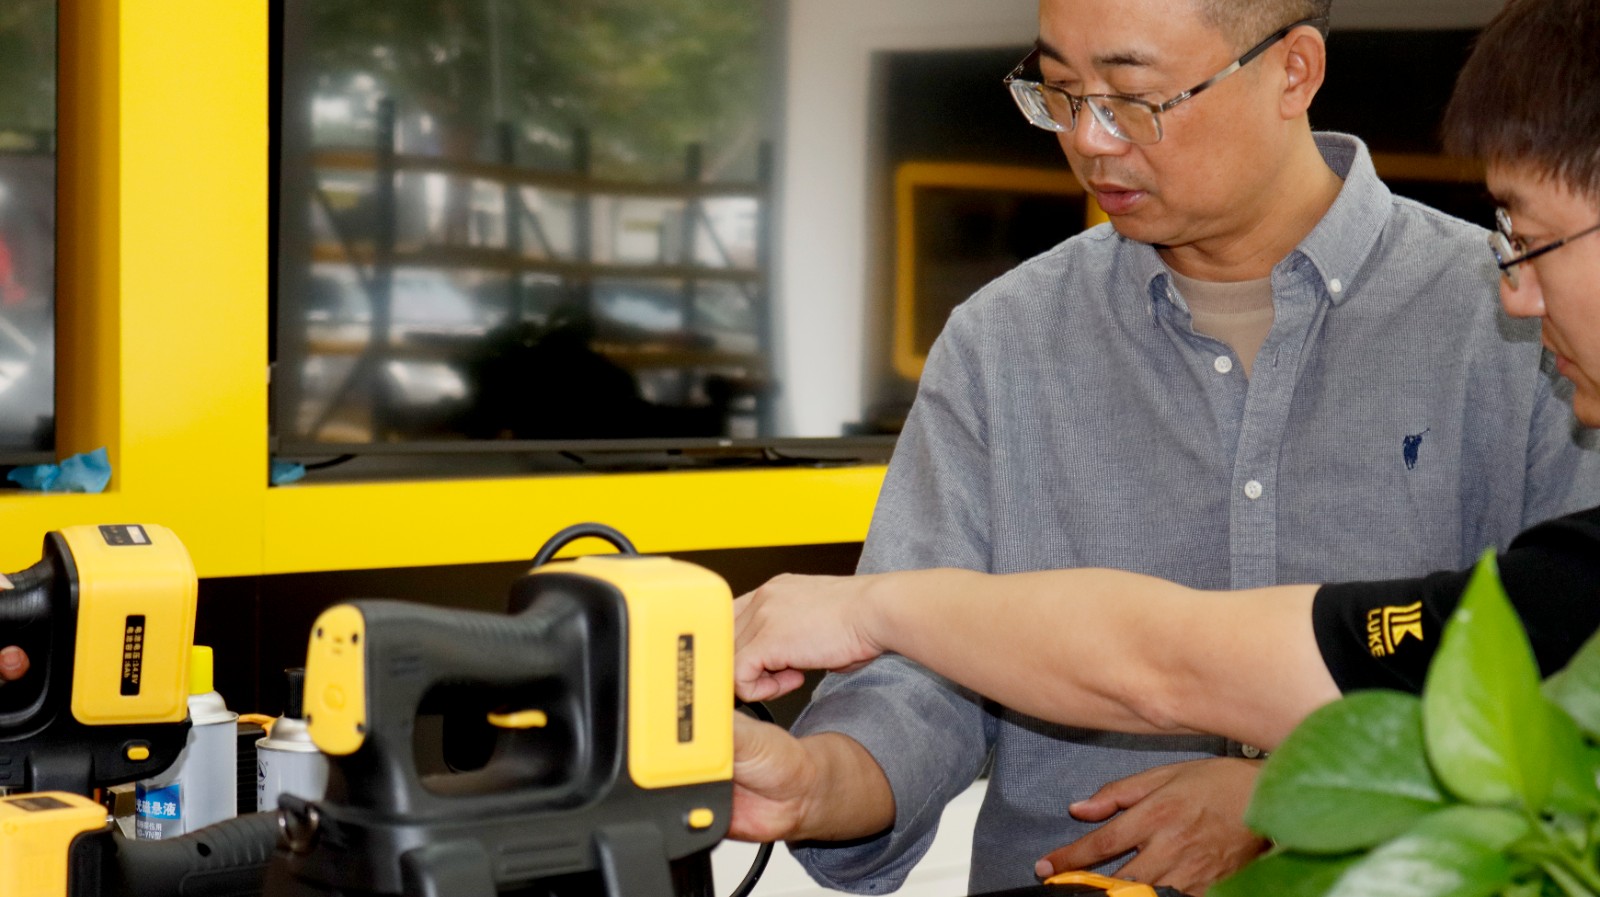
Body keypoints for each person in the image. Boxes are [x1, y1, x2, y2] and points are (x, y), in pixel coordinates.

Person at [727, 0, 1600, 894]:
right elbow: (915, 688)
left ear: (1293, 70)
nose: (1090, 139)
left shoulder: (1526, 320)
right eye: (1060, 93)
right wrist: (815, 781)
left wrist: (1299, 799)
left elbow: (1569, 694)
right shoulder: (1003, 342)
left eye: (1134, 98)